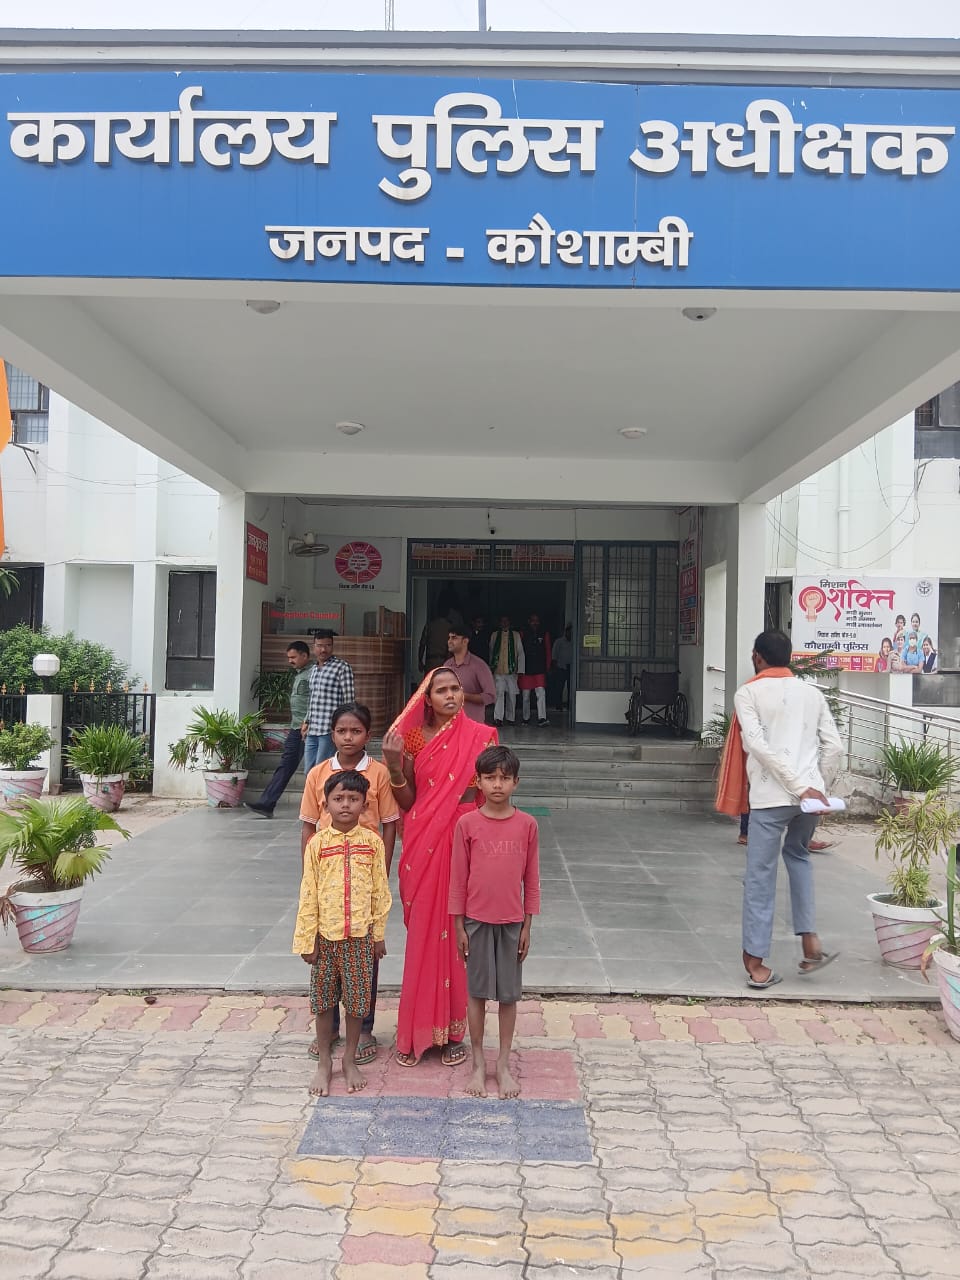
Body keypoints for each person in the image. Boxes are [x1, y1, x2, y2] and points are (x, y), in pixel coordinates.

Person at [382, 667, 497, 1067]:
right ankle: (414, 1033)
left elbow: (490, 797)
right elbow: (409, 801)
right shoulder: (413, 739)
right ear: (426, 699)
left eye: (455, 689)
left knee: (459, 936)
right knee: (424, 936)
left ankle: (453, 1034)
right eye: (441, 690)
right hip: (423, 843)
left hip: (463, 841)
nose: (450, 695)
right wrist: (393, 766)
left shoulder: (482, 737)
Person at [716, 629, 843, 990]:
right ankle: (810, 939)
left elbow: (757, 745)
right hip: (808, 800)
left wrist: (799, 786)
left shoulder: (748, 693)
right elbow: (834, 747)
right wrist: (818, 788)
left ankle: (756, 963)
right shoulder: (812, 693)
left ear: (757, 657)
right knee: (799, 857)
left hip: (772, 798)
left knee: (760, 874)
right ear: (789, 657)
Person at [299, 702, 399, 1064]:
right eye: (341, 731)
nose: (348, 737)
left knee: (365, 955)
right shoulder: (317, 774)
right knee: (327, 957)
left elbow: (389, 823)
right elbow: (308, 825)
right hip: (328, 875)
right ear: (332, 734)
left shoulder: (379, 773)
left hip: (364, 873)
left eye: (356, 731)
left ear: (367, 735)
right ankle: (329, 1031)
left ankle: (366, 1028)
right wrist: (310, 873)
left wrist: (381, 871)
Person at [292, 770, 392, 1097]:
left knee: (357, 1003)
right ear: (325, 804)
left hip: (360, 939)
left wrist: (378, 934)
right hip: (325, 939)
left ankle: (349, 1060)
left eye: (353, 799)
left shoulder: (373, 843)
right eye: (338, 799)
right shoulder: (317, 844)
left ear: (365, 804)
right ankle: (325, 1061)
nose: (345, 805)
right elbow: (308, 892)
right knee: (323, 1002)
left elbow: (380, 891)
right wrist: (307, 939)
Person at [450, 745, 540, 1100]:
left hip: (512, 923)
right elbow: (458, 879)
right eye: (490, 778)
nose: (497, 785)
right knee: (476, 993)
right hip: (475, 921)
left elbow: (532, 879)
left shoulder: (527, 825)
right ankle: (478, 1063)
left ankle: (502, 1064)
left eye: (504, 778)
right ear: (479, 781)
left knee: (508, 995)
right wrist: (458, 924)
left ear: (516, 782)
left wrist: (528, 925)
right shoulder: (467, 824)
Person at [246, 641, 313, 818]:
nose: (290, 661)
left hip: (310, 729)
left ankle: (317, 808)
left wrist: (308, 722)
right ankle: (266, 804)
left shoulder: (314, 674)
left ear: (304, 655)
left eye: (293, 657)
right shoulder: (300, 674)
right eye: (288, 657)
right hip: (296, 728)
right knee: (285, 765)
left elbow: (315, 701)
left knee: (315, 769)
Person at [302, 631, 355, 774]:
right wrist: (306, 721)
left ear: (332, 646)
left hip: (329, 728)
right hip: (313, 729)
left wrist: (344, 727)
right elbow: (312, 699)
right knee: (309, 771)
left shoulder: (342, 667)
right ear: (314, 646)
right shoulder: (313, 669)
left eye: (328, 645)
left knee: (322, 770)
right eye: (319, 646)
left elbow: (349, 701)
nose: (323, 649)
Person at [444, 624, 496, 723]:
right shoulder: (447, 665)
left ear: (465, 641)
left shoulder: (479, 665)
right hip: (450, 724)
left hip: (472, 725)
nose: (449, 641)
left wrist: (464, 696)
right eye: (449, 638)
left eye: (454, 638)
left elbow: (490, 696)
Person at [489, 615, 525, 726]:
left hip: (512, 670)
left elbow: (520, 652)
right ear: (500, 623)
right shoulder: (495, 635)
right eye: (502, 621)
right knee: (499, 694)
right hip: (498, 670)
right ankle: (498, 718)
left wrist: (520, 669)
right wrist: (491, 667)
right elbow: (491, 651)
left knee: (512, 695)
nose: (504, 623)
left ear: (509, 623)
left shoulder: (515, 635)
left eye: (506, 621)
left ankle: (511, 718)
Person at [519, 613, 551, 726]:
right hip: (525, 668)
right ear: (529, 621)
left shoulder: (544, 633)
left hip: (540, 668)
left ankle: (542, 718)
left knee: (541, 693)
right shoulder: (522, 633)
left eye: (537, 620)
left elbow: (548, 650)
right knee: (525, 695)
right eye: (533, 620)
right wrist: (519, 668)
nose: (535, 623)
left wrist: (547, 666)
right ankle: (525, 718)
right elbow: (518, 651)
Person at [549, 623, 573, 711]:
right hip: (561, 667)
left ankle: (570, 705)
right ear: (565, 632)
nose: (570, 634)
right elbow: (554, 655)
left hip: (572, 668)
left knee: (571, 687)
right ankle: (558, 705)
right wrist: (554, 666)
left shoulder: (574, 642)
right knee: (559, 687)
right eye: (569, 632)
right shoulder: (559, 641)